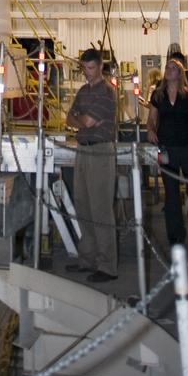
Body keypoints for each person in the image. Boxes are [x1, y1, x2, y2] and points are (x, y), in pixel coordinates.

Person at [65, 48, 118, 282]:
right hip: (83, 151)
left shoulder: (106, 92)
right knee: (83, 206)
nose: (87, 73)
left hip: (99, 153)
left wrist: (80, 121)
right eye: (84, 69)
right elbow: (70, 118)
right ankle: (87, 259)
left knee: (101, 210)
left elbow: (83, 119)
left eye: (91, 68)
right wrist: (81, 122)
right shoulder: (84, 91)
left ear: (100, 67)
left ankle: (107, 266)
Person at [147, 58, 188, 246]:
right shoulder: (158, 95)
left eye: (173, 68)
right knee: (171, 193)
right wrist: (150, 130)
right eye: (167, 67)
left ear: (180, 72)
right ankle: (175, 234)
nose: (169, 70)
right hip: (166, 148)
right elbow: (151, 118)